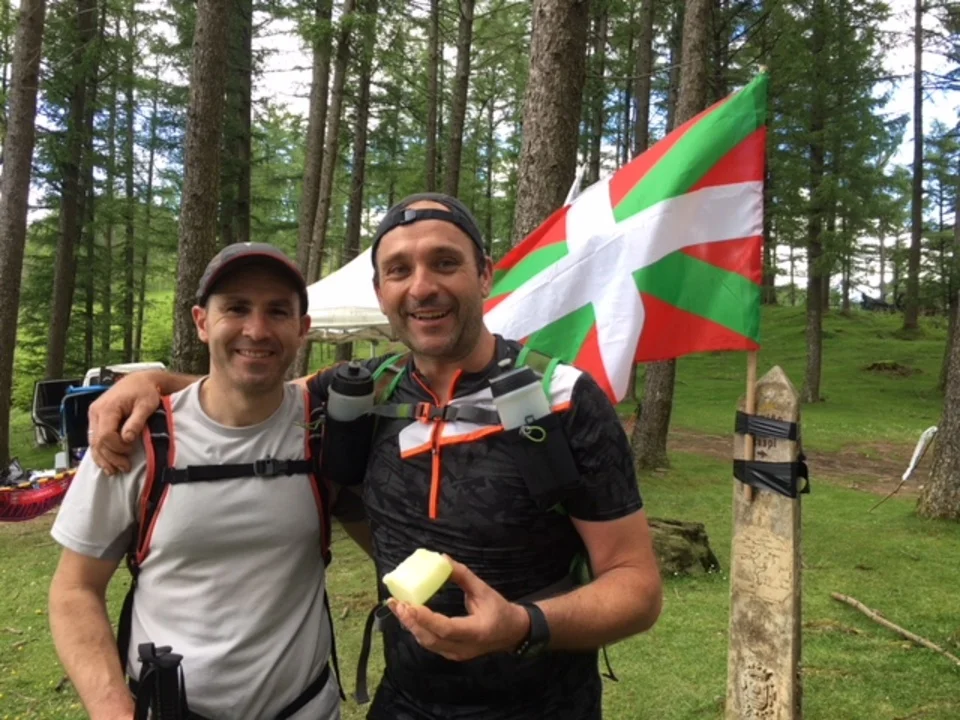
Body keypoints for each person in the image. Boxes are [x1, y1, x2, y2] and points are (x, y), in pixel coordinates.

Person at [87, 193, 664, 720]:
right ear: (381, 291)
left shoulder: (563, 398)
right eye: (399, 270)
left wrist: (520, 625)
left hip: (546, 707)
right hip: (403, 703)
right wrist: (151, 383)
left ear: (485, 274)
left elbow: (637, 587)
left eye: (445, 262)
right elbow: (247, 391)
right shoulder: (361, 393)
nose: (422, 287)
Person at [48, 243, 357, 720]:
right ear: (201, 321)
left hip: (306, 708)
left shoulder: (327, 429)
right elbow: (75, 590)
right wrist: (113, 708)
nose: (257, 329)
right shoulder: (136, 436)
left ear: (302, 329)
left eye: (277, 311)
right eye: (236, 308)